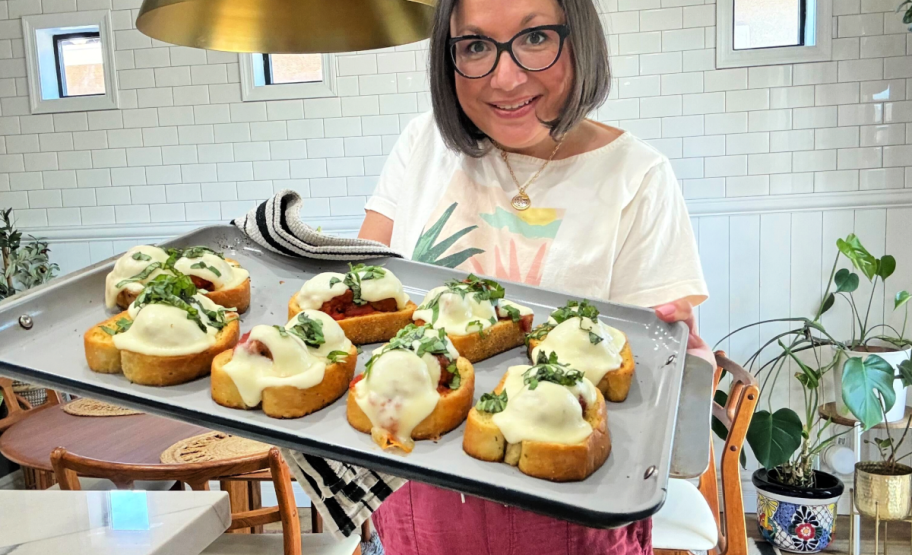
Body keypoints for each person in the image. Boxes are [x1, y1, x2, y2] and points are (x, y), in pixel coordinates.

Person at [357, 0, 711, 552]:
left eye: (536, 37)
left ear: (580, 39)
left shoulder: (638, 177)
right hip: (415, 494)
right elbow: (368, 298)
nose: (505, 77)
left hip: (572, 511)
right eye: (476, 45)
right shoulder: (422, 144)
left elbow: (653, 388)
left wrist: (681, 358)